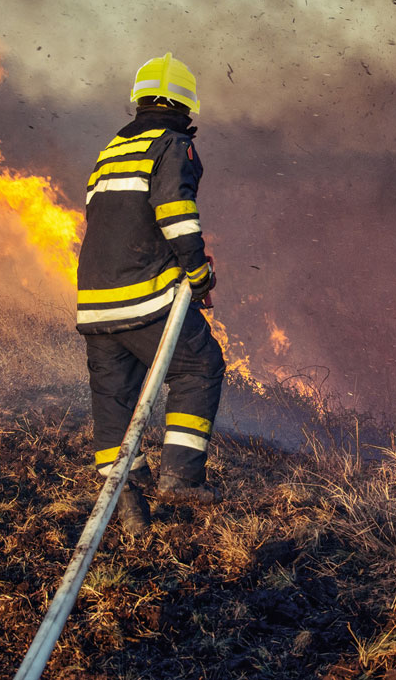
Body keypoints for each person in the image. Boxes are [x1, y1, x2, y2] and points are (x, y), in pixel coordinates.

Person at [75, 53, 224, 535]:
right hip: (143, 294)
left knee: (114, 400)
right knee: (199, 365)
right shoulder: (172, 144)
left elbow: (99, 218)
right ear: (186, 104)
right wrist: (198, 272)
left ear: (139, 101)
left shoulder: (111, 150)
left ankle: (129, 504)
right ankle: (180, 476)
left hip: (94, 301)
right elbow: (175, 211)